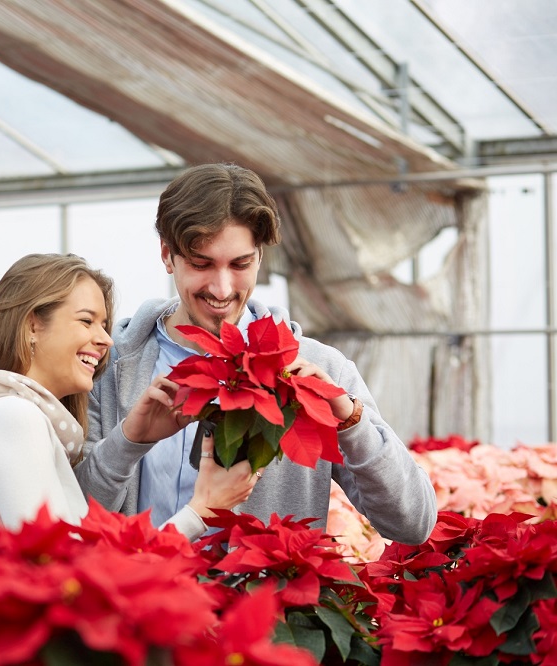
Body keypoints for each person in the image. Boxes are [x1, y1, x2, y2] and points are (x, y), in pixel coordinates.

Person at [74, 164, 438, 545]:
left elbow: (412, 524)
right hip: (136, 598)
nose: (222, 288)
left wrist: (350, 420)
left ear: (259, 258)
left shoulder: (319, 368)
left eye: (240, 264)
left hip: (261, 602)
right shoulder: (108, 366)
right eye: (201, 264)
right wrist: (128, 442)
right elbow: (76, 516)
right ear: (168, 255)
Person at [0, 253, 257, 539]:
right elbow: (74, 577)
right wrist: (201, 511)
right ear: (32, 326)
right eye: (86, 321)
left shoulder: (0, 412)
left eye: (104, 325)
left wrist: (133, 438)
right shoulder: (12, 418)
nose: (106, 340)